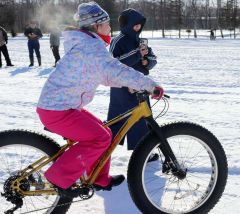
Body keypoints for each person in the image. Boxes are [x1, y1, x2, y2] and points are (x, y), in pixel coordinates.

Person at [36, 1, 164, 197]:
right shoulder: (90, 48)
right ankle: (58, 179)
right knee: (100, 138)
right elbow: (115, 70)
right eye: (106, 23)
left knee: (105, 132)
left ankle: (98, 178)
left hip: (62, 106)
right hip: (58, 110)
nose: (110, 26)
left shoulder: (86, 44)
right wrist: (148, 85)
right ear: (96, 26)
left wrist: (131, 83)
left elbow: (106, 75)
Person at [107, 9, 158, 161]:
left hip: (139, 85)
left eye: (139, 25)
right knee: (117, 120)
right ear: (126, 25)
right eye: (134, 25)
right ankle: (102, 148)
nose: (137, 28)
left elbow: (153, 58)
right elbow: (115, 64)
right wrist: (137, 54)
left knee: (142, 119)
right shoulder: (117, 41)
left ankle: (142, 153)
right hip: (121, 88)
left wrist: (147, 62)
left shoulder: (140, 40)